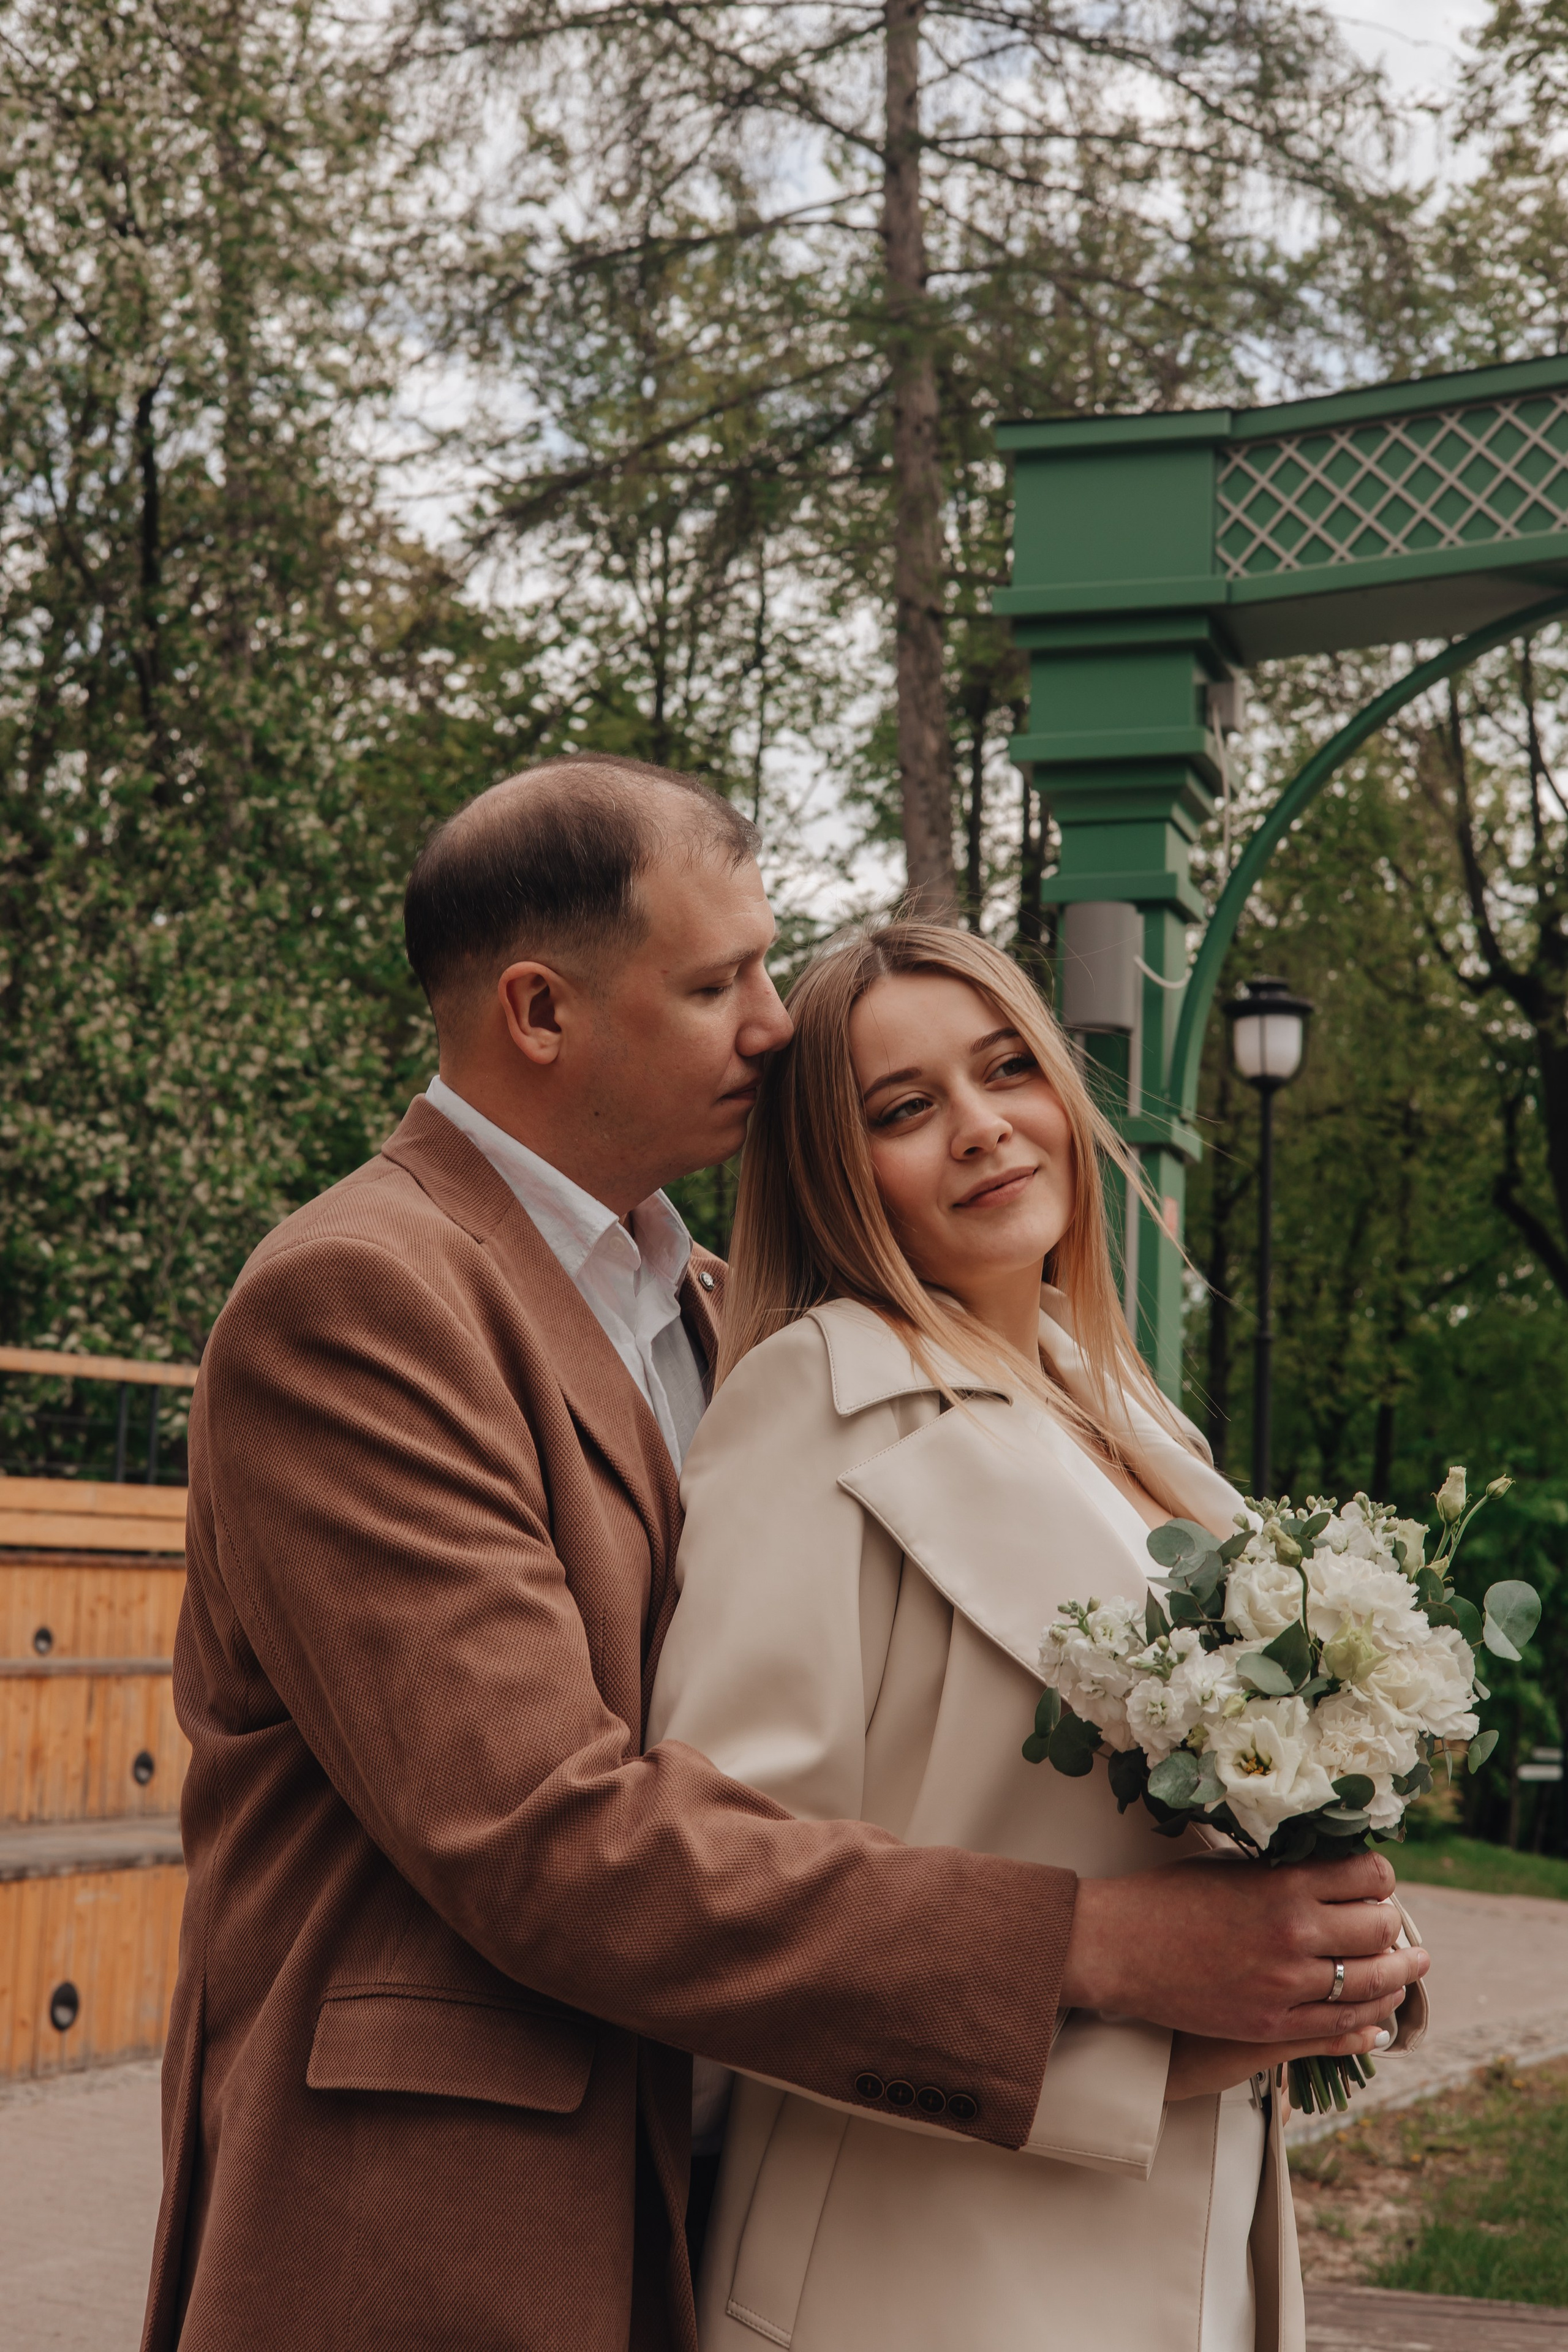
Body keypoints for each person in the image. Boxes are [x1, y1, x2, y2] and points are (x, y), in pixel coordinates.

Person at [143, 760, 1425, 2352]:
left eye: (766, 962)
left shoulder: (699, 1302)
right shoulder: (357, 1297)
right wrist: (1098, 1952)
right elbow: (539, 1827)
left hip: (721, 2182)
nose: (773, 1022)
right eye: (718, 981)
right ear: (538, 1013)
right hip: (445, 2228)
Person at [649, 920, 1428, 2352]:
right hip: (915, 2264)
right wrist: (1157, 2052)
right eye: (902, 1108)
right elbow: (723, 1912)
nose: (979, 1129)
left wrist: (1345, 1946)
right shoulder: (809, 1406)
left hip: (1189, 2264)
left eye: (1005, 1068)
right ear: (835, 1170)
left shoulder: (1134, 1422)